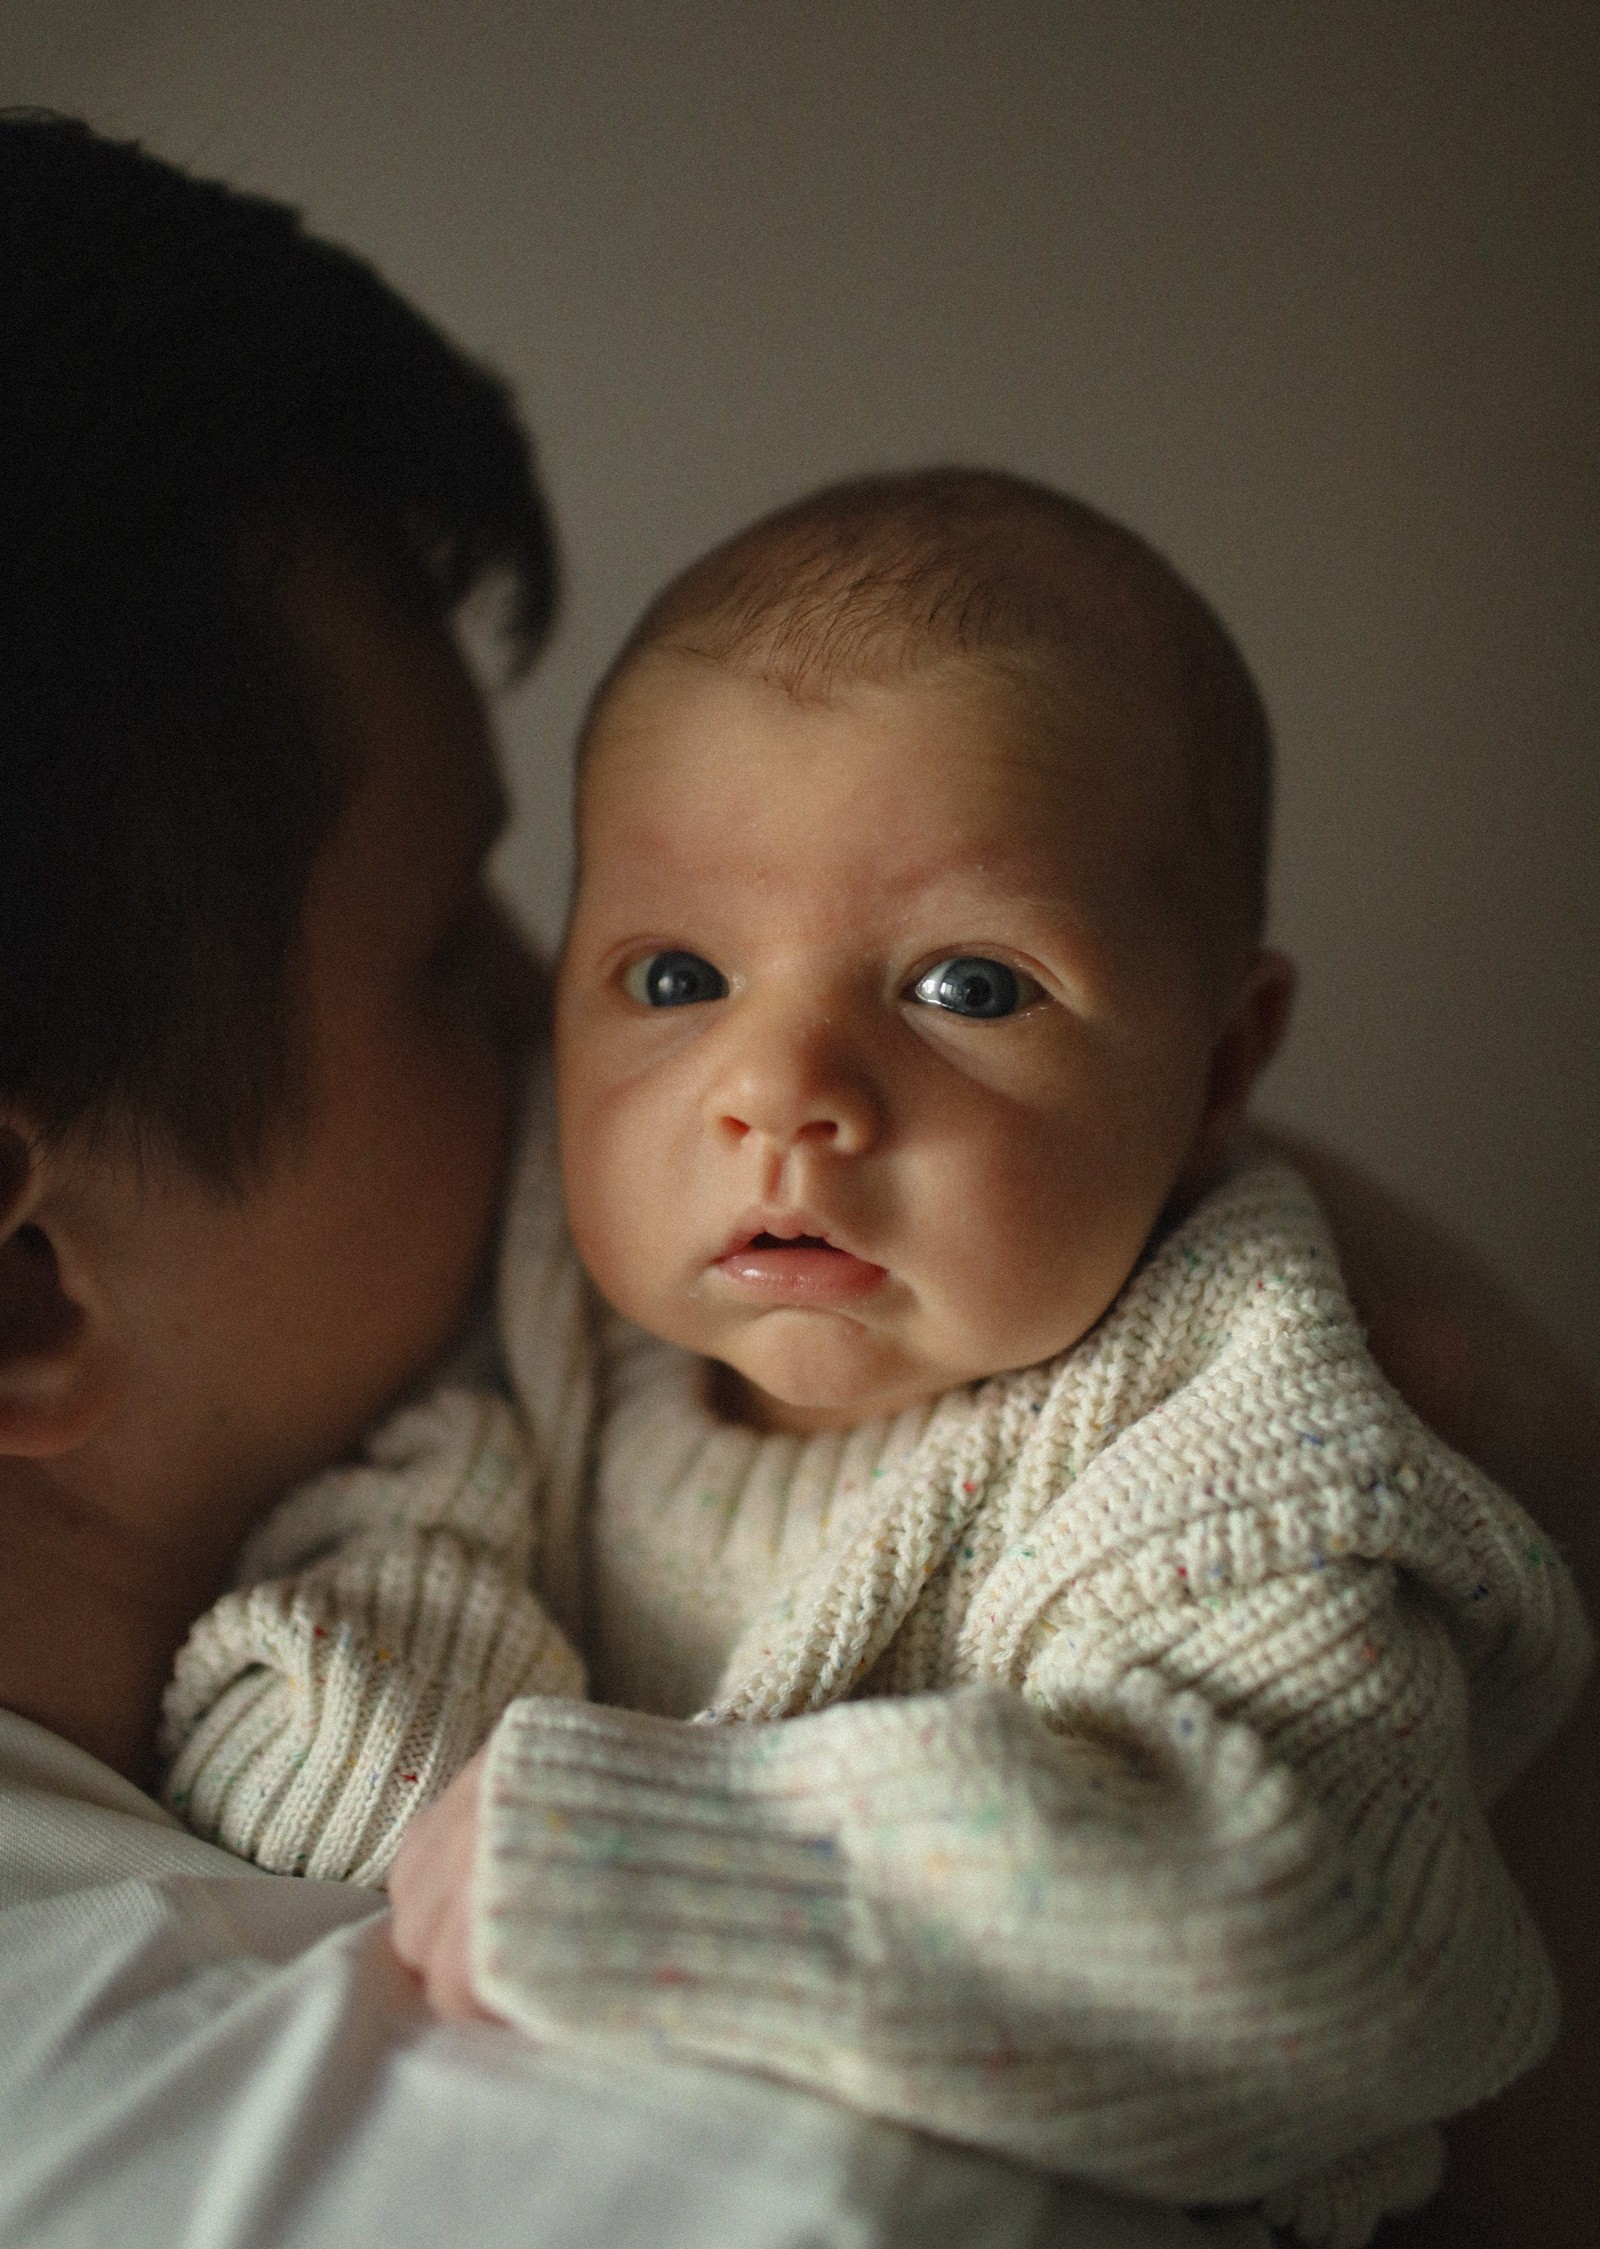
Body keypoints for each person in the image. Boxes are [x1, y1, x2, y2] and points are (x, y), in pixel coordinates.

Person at [1, 115, 1591, 2249]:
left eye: (960, 981)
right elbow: (386, 1616)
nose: (772, 1099)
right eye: (650, 975)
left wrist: (596, 1862)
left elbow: (1318, 1898)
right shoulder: (758, 2188)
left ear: (1219, 1068)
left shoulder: (1217, 1396)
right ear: (26, 1289)